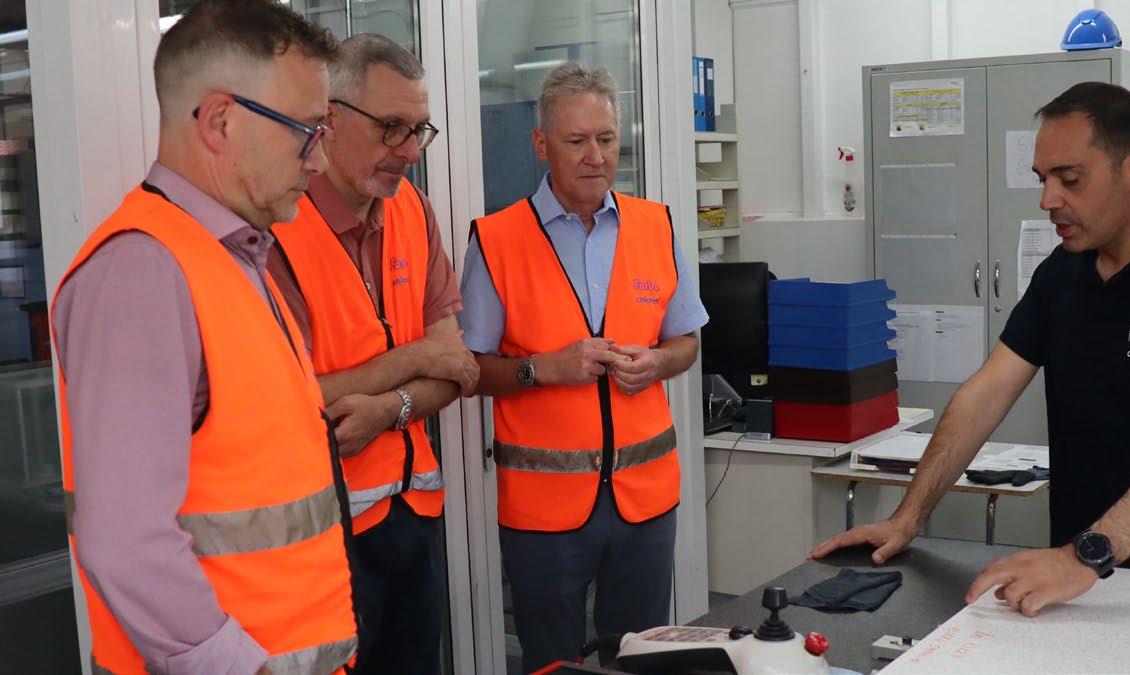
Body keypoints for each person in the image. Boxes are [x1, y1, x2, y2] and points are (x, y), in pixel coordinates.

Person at [811, 81, 1130, 617]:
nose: (1047, 200)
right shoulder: (1062, 274)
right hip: (1087, 584)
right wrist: (908, 517)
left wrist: (1086, 555)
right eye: (1043, 179)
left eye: (1070, 179)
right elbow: (985, 395)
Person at [50, 2, 356, 673]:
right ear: (220, 121)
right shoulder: (142, 274)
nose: (321, 158)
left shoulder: (231, 256)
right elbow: (125, 541)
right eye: (307, 131)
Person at [458, 62, 708, 671]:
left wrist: (657, 362)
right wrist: (540, 369)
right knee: (553, 664)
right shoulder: (496, 240)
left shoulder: (656, 225)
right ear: (541, 145)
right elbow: (468, 369)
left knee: (643, 660)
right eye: (576, 141)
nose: (595, 156)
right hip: (544, 512)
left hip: (645, 505)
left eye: (606, 139)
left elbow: (686, 342)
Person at [266, 33, 473, 674]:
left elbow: (458, 367)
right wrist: (413, 360)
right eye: (391, 128)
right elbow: (295, 402)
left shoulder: (412, 209)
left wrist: (389, 408)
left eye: (418, 130)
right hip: (323, 533)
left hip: (414, 517)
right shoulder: (276, 228)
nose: (409, 151)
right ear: (328, 118)